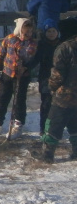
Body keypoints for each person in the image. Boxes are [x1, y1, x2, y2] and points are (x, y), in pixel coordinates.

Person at [0, 17, 38, 140]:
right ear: (19, 30)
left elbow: (32, 56)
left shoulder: (32, 43)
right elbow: (0, 54)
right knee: (2, 98)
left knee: (19, 101)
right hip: (7, 74)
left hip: (22, 76)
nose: (28, 34)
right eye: (25, 32)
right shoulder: (10, 39)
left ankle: (17, 125)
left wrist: (26, 66)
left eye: (30, 32)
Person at [41, 35, 77, 163]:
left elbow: (58, 74)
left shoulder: (64, 48)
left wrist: (51, 86)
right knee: (74, 123)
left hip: (65, 95)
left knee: (53, 124)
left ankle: (47, 154)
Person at [34, 24, 62, 136]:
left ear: (57, 32)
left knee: (58, 104)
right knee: (46, 103)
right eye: (49, 31)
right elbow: (35, 59)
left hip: (60, 78)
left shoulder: (62, 45)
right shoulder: (42, 45)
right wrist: (25, 67)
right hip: (45, 78)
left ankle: (55, 128)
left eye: (53, 31)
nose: (51, 34)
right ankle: (43, 128)